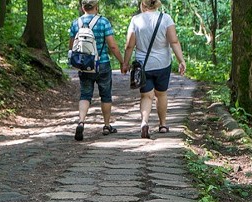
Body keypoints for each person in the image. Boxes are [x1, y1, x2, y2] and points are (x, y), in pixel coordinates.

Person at [123, 0, 186, 139]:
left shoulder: (136, 20)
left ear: (143, 4)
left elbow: (129, 45)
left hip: (143, 65)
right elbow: (174, 41)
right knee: (161, 94)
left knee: (146, 96)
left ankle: (144, 123)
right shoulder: (166, 18)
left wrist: (125, 63)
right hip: (162, 63)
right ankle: (162, 125)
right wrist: (181, 60)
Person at [69, 0, 126, 141]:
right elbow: (112, 46)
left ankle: (81, 121)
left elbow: (72, 47)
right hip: (102, 64)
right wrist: (122, 61)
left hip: (84, 65)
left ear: (83, 7)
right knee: (105, 95)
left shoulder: (76, 23)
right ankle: (106, 126)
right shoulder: (103, 22)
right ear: (96, 6)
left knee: (85, 94)